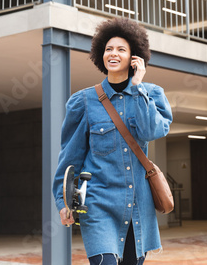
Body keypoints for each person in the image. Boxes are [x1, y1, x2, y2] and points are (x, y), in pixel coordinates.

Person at [53, 18, 172, 265]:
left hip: (138, 204)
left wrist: (138, 86)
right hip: (97, 204)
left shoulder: (150, 94)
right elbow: (69, 157)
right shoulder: (83, 101)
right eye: (108, 49)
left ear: (134, 57)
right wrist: (62, 201)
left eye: (121, 49)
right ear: (101, 55)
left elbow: (153, 131)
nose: (113, 54)